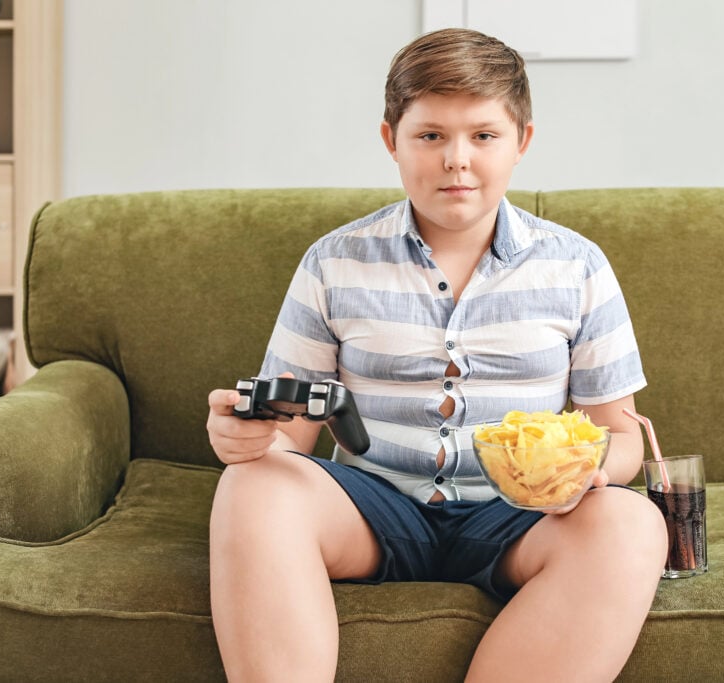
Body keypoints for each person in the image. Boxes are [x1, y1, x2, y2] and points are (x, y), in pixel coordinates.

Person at [206, 27, 668, 682]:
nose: (457, 159)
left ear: (521, 143)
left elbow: (621, 429)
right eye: (431, 135)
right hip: (372, 505)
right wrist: (246, 439)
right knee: (250, 487)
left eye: (483, 136)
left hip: (521, 516)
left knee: (631, 522)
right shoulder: (333, 262)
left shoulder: (578, 267)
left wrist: (590, 467)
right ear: (391, 139)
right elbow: (291, 437)